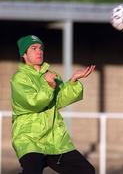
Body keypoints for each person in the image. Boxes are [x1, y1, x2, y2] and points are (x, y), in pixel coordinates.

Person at [11, 35, 96, 174]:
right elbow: (33, 103)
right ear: (24, 54)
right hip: (29, 139)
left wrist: (73, 80)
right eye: (34, 48)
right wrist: (49, 87)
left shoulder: (52, 75)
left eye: (41, 48)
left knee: (86, 170)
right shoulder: (19, 78)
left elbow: (60, 100)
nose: (39, 51)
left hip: (54, 140)